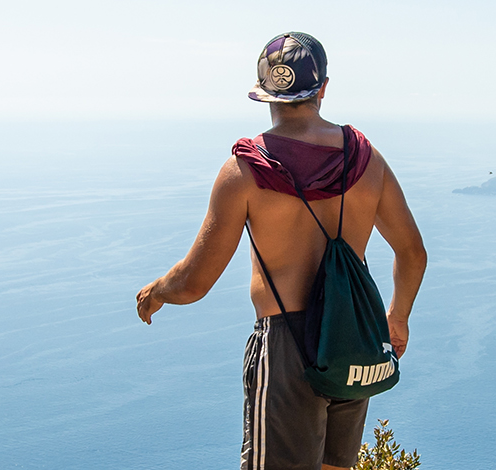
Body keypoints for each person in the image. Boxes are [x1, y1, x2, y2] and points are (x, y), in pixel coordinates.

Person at [133, 31, 428, 470]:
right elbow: (413, 252)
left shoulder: (245, 170)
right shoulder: (366, 160)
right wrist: (397, 318)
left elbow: (195, 283)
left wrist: (157, 290)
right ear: (323, 88)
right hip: (354, 340)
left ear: (264, 93)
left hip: (287, 345)